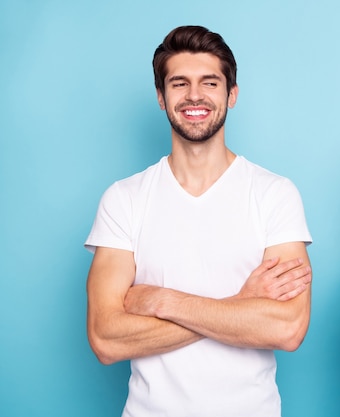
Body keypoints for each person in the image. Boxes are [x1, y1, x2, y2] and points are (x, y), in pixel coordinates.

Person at [85, 25, 312, 417]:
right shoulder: (124, 199)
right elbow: (106, 338)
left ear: (232, 94)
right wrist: (240, 306)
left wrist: (160, 300)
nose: (194, 95)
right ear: (161, 97)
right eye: (179, 83)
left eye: (209, 82)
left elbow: (286, 329)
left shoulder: (274, 194)